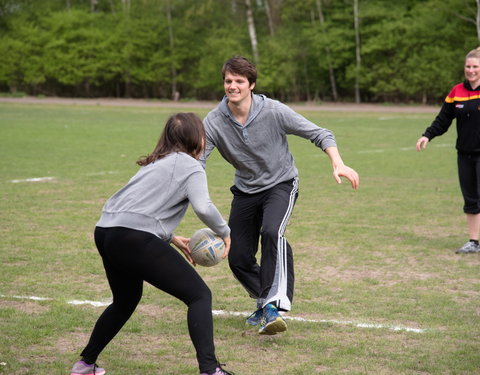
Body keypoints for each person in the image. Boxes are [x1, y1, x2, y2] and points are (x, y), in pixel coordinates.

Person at [199, 56, 359, 335]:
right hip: (246, 190)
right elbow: (197, 160)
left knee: (272, 232)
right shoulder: (213, 121)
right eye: (228, 81)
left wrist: (338, 162)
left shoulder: (272, 110)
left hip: (280, 184)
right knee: (236, 256)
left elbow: (320, 133)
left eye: (239, 81)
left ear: (251, 85)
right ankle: (265, 301)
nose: (232, 86)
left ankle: (273, 304)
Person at [70, 113, 235, 375]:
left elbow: (137, 208)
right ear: (197, 139)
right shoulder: (192, 166)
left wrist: (170, 238)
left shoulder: (154, 163)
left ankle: (85, 364)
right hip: (133, 238)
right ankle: (210, 370)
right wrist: (225, 232)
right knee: (199, 296)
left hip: (105, 231)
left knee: (124, 301)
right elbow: (203, 207)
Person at [416, 47, 480, 254]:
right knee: (470, 199)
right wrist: (427, 135)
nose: (471, 70)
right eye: (468, 66)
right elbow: (443, 119)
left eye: (475, 67)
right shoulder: (457, 92)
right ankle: (474, 242)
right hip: (465, 154)